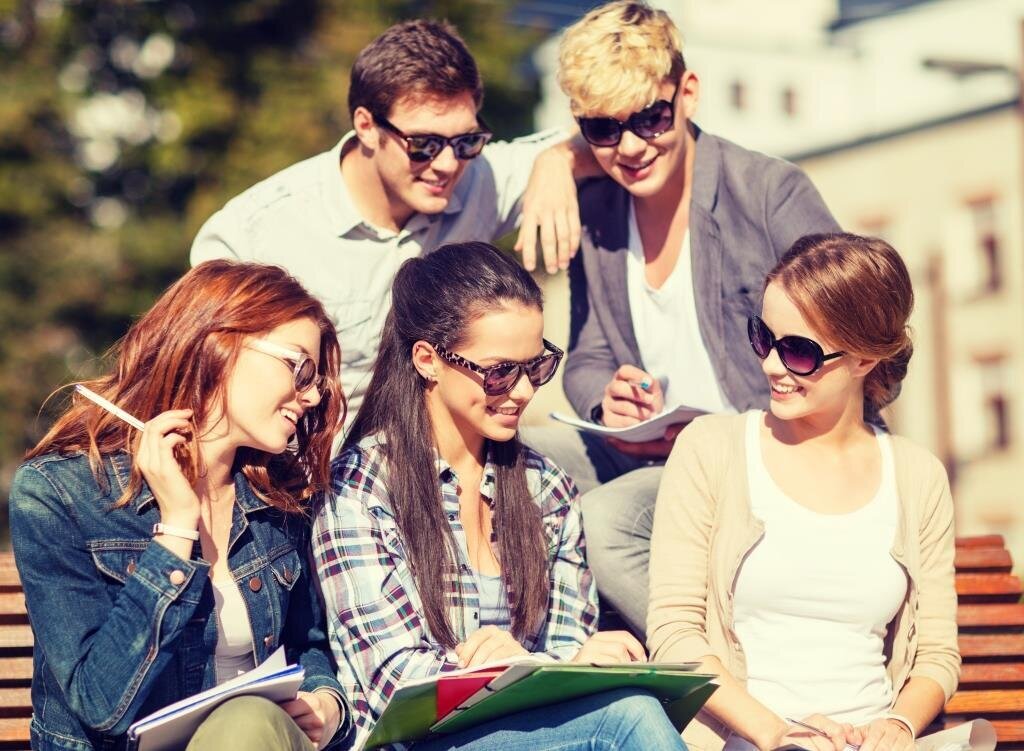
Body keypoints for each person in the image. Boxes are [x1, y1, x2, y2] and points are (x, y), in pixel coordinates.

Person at [520, 0, 841, 634]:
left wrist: (733, 431)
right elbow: (586, 354)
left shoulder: (771, 194)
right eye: (603, 131)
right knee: (511, 460)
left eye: (649, 118)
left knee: (605, 523)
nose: (631, 147)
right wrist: (604, 404)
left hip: (769, 460)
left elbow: (855, 344)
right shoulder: (599, 210)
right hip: (650, 457)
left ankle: (729, 686)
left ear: (687, 93)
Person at [311, 242, 688, 751]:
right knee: (627, 720)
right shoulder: (360, 487)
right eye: (498, 371)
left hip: (531, 731)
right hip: (413, 742)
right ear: (427, 360)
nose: (524, 390)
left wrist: (564, 663)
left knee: (633, 707)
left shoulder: (544, 486)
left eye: (536, 366)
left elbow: (564, 649)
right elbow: (393, 681)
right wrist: (520, 669)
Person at [9, 261, 352, 751]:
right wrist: (176, 530)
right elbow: (99, 705)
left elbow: (307, 646)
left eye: (316, 378)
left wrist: (325, 704)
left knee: (249, 723)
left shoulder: (277, 496)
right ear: (219, 344)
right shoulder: (59, 493)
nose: (314, 393)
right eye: (299, 367)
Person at [191, 19, 595, 427]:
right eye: (424, 145)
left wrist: (558, 159)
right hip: (304, 469)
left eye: (466, 142)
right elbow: (204, 379)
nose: (448, 165)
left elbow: (613, 137)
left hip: (425, 462)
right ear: (366, 126)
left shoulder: (481, 178)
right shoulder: (255, 233)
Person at [647, 233, 961, 751]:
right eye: (763, 338)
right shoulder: (711, 449)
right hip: (743, 740)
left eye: (797, 351)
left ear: (864, 359)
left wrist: (898, 725)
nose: (771, 365)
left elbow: (937, 653)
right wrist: (778, 732)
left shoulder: (917, 475)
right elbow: (676, 635)